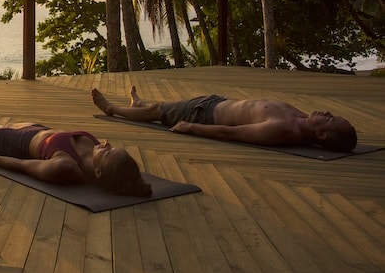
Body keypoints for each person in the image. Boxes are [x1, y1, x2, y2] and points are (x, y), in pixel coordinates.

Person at [0, 103, 152, 197]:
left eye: (108, 152)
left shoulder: (64, 168)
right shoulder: (95, 148)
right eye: (112, 146)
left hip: (16, 144)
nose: (106, 144)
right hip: (38, 131)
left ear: (98, 173)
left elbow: (23, 166)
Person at [91, 87, 357, 152]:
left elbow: (232, 134)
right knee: (160, 107)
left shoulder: (283, 129)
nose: (328, 113)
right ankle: (138, 104)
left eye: (331, 120)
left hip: (204, 115)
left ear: (321, 135)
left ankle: (113, 109)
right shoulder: (301, 119)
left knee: (158, 111)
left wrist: (192, 127)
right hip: (217, 102)